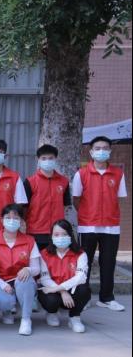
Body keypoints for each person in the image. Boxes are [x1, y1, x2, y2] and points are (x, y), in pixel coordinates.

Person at [72, 136, 127, 312]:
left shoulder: (118, 174)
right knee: (84, 263)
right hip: (87, 225)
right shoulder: (81, 174)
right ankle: (84, 297)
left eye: (105, 148)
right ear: (91, 152)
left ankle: (107, 298)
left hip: (111, 226)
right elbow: (76, 199)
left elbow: (119, 198)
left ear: (109, 151)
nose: (101, 151)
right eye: (97, 148)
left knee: (108, 263)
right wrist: (87, 213)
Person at [0, 204, 40, 336]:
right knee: (4, 302)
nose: (11, 221)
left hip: (22, 280)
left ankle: (26, 319)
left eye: (16, 218)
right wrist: (2, 285)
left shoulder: (29, 240)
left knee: (25, 281)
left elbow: (36, 269)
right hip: (3, 282)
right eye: (8, 217)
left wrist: (28, 269)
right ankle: (7, 311)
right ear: (2, 220)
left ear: (21, 221)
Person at [38, 220, 91, 333]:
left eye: (64, 234)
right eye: (56, 234)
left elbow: (81, 277)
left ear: (70, 235)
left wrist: (60, 288)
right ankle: (51, 313)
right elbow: (44, 278)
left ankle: (74, 317)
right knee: (51, 301)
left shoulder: (80, 254)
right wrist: (63, 292)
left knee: (84, 289)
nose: (60, 237)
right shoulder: (44, 254)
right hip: (53, 290)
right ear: (51, 236)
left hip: (70, 291)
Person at [24, 144, 71, 250]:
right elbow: (24, 208)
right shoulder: (30, 182)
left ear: (56, 159)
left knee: (55, 260)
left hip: (57, 232)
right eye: (44, 158)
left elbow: (65, 206)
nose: (47, 161)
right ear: (38, 160)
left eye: (51, 158)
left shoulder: (64, 181)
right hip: (35, 231)